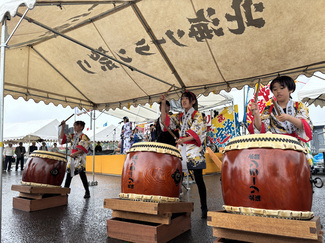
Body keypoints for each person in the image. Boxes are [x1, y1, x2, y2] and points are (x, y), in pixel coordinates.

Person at [160, 90, 208, 218]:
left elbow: (199, 131)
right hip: (181, 149)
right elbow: (165, 122)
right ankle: (177, 207)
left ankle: (204, 207)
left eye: (186, 98)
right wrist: (164, 104)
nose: (183, 100)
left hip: (194, 151)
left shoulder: (198, 115)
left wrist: (183, 140)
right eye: (182, 99)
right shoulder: (180, 116)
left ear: (193, 102)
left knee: (199, 179)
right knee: (177, 179)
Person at [249, 75, 313, 145]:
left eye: (282, 88)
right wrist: (257, 114)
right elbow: (260, 129)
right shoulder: (269, 109)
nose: (278, 91)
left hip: (296, 145)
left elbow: (305, 126)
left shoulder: (299, 106)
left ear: (291, 90)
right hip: (277, 145)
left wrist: (288, 118)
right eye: (275, 89)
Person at [59, 120, 91, 199]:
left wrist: (74, 154)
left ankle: (87, 191)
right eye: (74, 125)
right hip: (72, 158)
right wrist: (63, 127)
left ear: (81, 127)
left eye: (76, 125)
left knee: (82, 175)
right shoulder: (72, 136)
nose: (74, 127)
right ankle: (65, 192)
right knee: (69, 175)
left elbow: (82, 149)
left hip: (80, 158)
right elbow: (61, 139)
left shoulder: (84, 137)